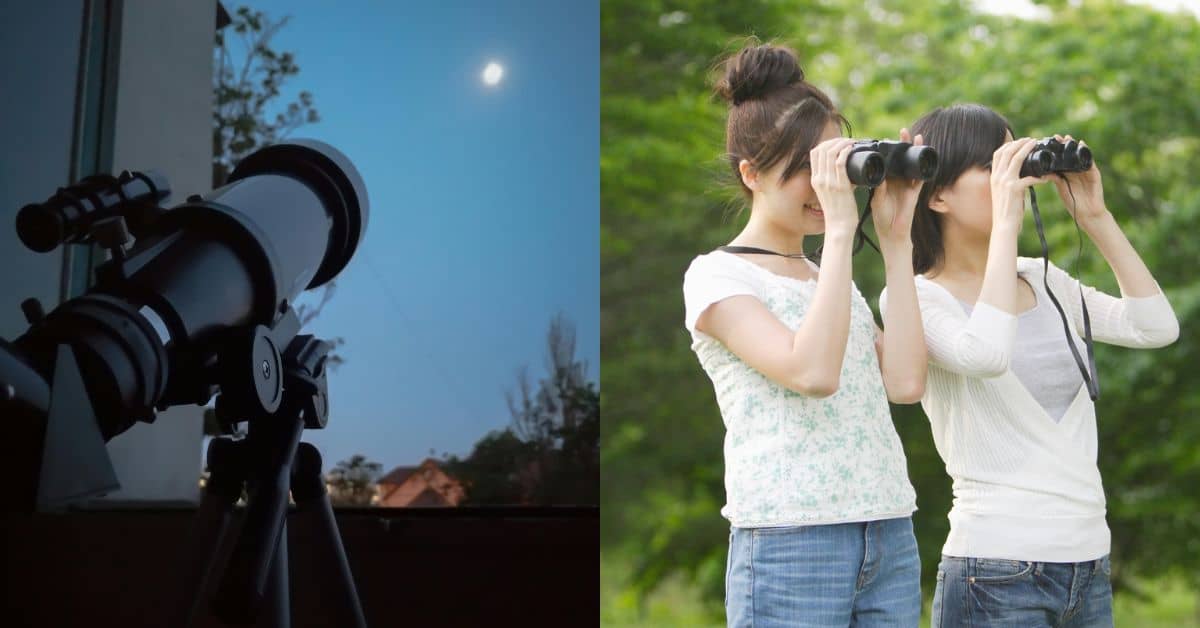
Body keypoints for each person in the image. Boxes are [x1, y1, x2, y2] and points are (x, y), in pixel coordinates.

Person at [881, 103, 1179, 627]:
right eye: (993, 166)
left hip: (1087, 564)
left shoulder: (1041, 279)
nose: (1013, 178)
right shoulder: (915, 299)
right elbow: (987, 354)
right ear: (938, 193)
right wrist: (1007, 226)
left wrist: (1095, 218)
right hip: (993, 570)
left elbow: (1155, 327)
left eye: (1014, 159)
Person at [682, 41, 928, 627]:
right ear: (751, 173)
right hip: (791, 540)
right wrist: (841, 231)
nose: (826, 191)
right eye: (807, 173)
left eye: (834, 169)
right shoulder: (717, 275)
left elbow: (907, 382)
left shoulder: (828, 278)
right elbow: (812, 373)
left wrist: (896, 243)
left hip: (888, 528)